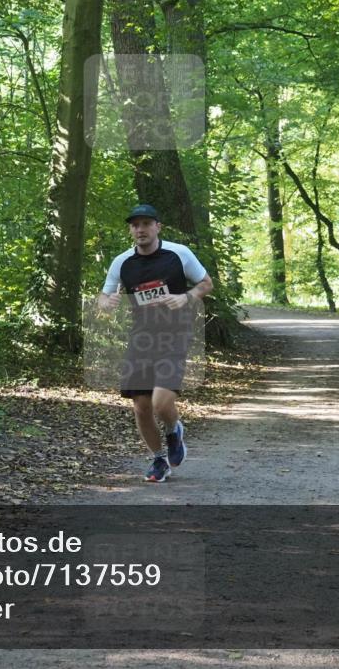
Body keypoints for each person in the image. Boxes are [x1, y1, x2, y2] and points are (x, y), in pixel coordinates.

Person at [97, 204, 213, 482]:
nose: (141, 229)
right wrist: (107, 302)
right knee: (141, 405)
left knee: (161, 404)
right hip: (141, 338)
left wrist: (185, 297)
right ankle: (158, 459)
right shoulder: (121, 262)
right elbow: (103, 298)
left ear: (158, 227)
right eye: (135, 225)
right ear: (130, 230)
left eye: (146, 223)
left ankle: (174, 429)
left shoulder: (179, 254)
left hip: (174, 335)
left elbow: (206, 283)